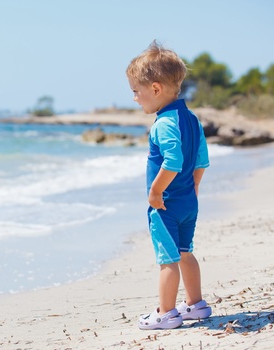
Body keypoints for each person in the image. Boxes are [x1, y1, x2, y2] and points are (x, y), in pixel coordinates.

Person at [126, 41, 212, 330]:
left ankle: (165, 313)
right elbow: (200, 161)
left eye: (136, 91)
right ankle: (196, 305)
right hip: (188, 201)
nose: (136, 99)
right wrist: (195, 189)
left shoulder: (163, 124)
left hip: (166, 205)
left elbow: (173, 161)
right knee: (186, 251)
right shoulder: (191, 119)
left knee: (168, 260)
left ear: (156, 89)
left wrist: (155, 191)